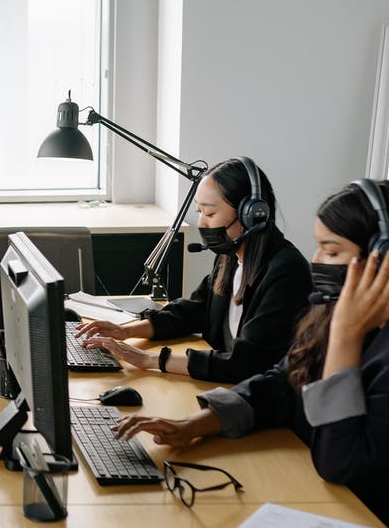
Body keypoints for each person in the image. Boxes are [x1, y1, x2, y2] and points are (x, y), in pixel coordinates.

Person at [113, 180, 389, 528]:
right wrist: (197, 424)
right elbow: (284, 380)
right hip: (321, 496)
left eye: (331, 250)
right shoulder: (351, 304)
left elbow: (340, 461)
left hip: (381, 522)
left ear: (387, 255)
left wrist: (345, 337)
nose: (315, 261)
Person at [76, 157, 312, 383]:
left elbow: (246, 362)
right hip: (225, 389)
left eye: (210, 213)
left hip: (259, 406)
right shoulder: (229, 257)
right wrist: (125, 332)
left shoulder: (287, 274)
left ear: (251, 215)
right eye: (199, 212)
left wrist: (149, 359)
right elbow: (194, 311)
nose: (201, 224)